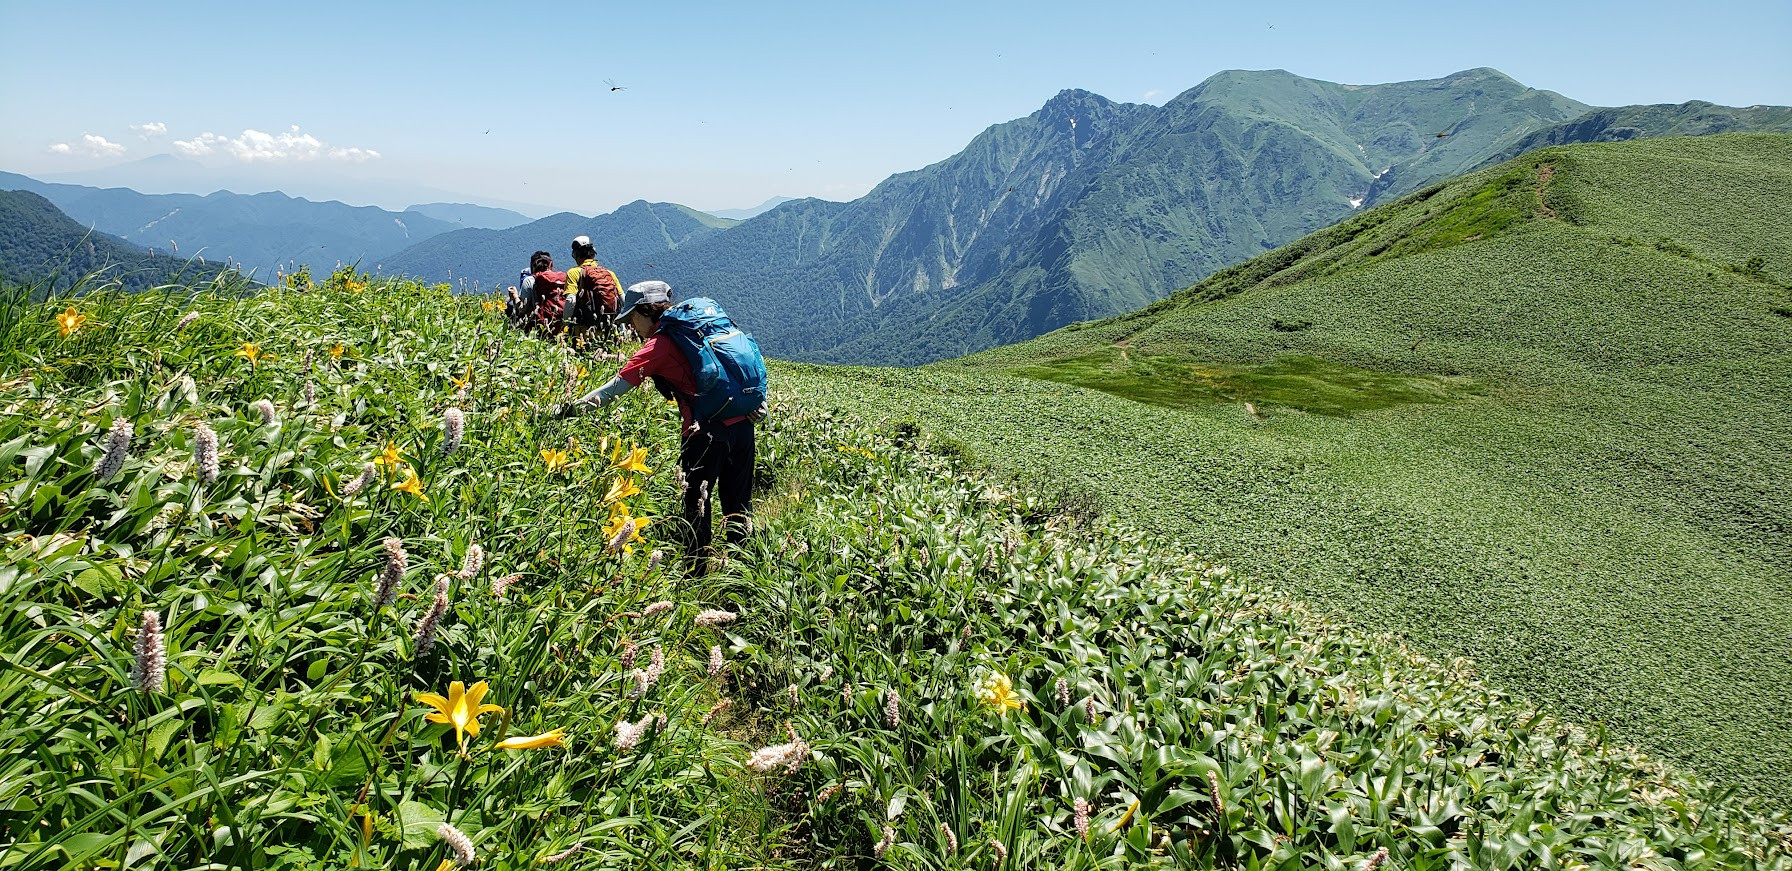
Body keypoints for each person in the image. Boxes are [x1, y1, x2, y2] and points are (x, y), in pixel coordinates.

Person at [562, 281, 766, 575]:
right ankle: (743, 575)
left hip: (703, 434)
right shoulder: (704, 330)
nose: (632, 327)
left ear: (646, 311)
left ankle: (696, 575)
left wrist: (568, 410)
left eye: (633, 318)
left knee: (697, 508)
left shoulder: (659, 345)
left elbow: (613, 390)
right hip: (744, 426)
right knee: (738, 505)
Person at [565, 235, 622, 347]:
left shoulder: (574, 272)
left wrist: (566, 325)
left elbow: (570, 301)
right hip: (608, 331)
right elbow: (623, 300)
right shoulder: (609, 273)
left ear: (576, 254)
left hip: (582, 333)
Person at [523, 250, 567, 335]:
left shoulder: (530, 280)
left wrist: (514, 296)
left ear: (532, 266)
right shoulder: (560, 279)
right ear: (551, 265)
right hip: (562, 323)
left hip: (538, 326)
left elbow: (523, 308)